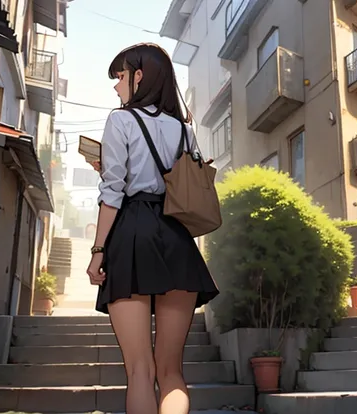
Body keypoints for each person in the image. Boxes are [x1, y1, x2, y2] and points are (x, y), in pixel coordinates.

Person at [85, 43, 219, 414]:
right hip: (175, 236)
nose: (117, 87)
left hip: (131, 234)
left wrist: (98, 252)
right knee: (172, 371)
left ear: (139, 77)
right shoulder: (183, 130)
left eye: (121, 77)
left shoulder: (121, 120)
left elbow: (113, 193)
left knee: (140, 371)